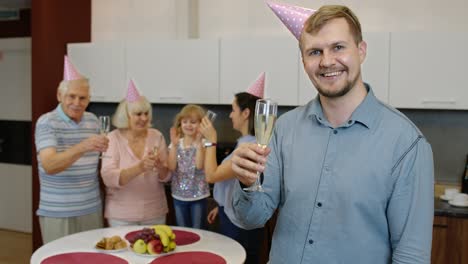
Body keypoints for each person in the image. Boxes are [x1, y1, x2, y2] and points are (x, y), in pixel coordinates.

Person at [230, 3, 434, 264]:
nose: (327, 61)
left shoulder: (406, 144)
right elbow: (252, 218)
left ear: (361, 51)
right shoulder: (284, 129)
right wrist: (247, 182)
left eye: (338, 47)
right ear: (303, 62)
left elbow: (411, 257)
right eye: (314, 52)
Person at [35, 56, 109, 243]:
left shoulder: (93, 121)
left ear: (89, 99)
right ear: (60, 96)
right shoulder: (47, 122)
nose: (77, 102)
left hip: (91, 209)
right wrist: (83, 146)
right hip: (58, 211)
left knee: (92, 259)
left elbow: (98, 159)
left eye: (82, 98)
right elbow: (50, 165)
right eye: (71, 96)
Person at [199, 72, 266, 264]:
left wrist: (211, 141)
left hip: (240, 225)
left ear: (245, 114)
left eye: (233, 109)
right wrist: (222, 206)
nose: (230, 114)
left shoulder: (248, 148)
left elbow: (211, 176)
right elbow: (234, 183)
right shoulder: (247, 142)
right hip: (235, 217)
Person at [101, 80, 170, 226]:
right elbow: (108, 177)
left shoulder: (156, 136)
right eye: (138, 114)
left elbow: (167, 176)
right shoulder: (112, 139)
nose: (144, 118)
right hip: (121, 215)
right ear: (126, 116)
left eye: (146, 113)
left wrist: (160, 166)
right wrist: (140, 167)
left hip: (155, 212)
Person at [167, 104, 210, 229]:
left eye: (193, 122)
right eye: (185, 122)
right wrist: (174, 146)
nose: (188, 125)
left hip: (198, 195)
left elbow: (199, 165)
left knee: (198, 230)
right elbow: (171, 166)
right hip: (178, 195)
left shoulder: (204, 144)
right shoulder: (176, 143)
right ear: (180, 124)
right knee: (183, 230)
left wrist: (198, 145)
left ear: (201, 125)